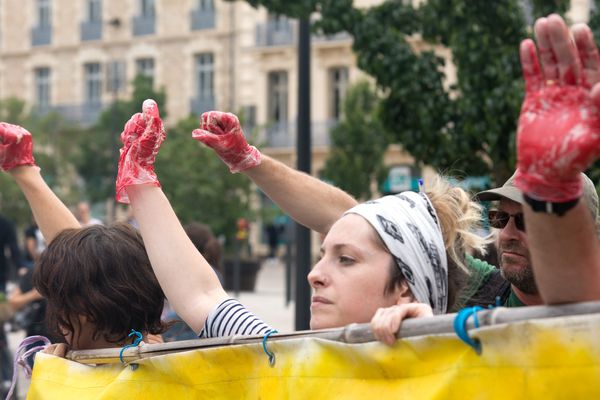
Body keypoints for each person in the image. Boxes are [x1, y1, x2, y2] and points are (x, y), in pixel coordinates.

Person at [118, 100, 488, 346]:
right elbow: (201, 296)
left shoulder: (455, 368)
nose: (314, 274)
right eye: (323, 255)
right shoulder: (287, 356)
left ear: (406, 290)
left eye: (346, 259)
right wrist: (140, 181)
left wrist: (432, 341)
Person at [0, 122, 167, 356]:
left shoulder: (62, 380)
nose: (58, 317)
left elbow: (82, 269)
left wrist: (53, 378)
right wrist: (24, 171)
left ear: (84, 311)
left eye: (62, 299)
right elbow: (83, 262)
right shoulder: (157, 355)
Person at [511, 14, 600, 304]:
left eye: (525, 219)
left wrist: (550, 188)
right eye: (497, 218)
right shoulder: (479, 295)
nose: (507, 232)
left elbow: (577, 318)